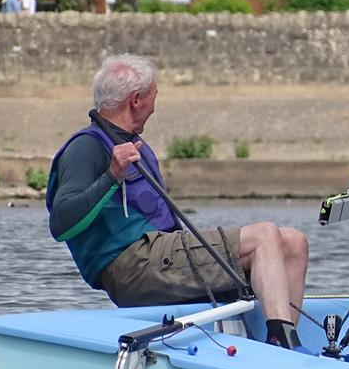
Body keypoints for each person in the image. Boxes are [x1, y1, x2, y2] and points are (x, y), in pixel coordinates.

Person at [47, 54, 309, 350]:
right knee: (264, 236)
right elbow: (61, 225)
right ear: (137, 100)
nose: (156, 106)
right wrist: (111, 176)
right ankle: (282, 343)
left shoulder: (136, 147)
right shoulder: (86, 147)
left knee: (293, 242)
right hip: (132, 267)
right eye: (154, 96)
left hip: (160, 258)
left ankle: (283, 341)